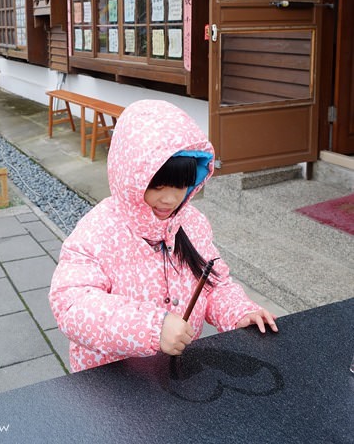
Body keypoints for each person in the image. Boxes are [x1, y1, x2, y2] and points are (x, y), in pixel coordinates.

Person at [49, 99, 278, 372]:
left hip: (176, 374)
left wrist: (240, 313)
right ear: (130, 177)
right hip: (110, 379)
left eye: (181, 185)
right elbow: (72, 304)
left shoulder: (191, 223)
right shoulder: (98, 231)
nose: (170, 198)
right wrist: (152, 327)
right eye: (157, 185)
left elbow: (214, 285)